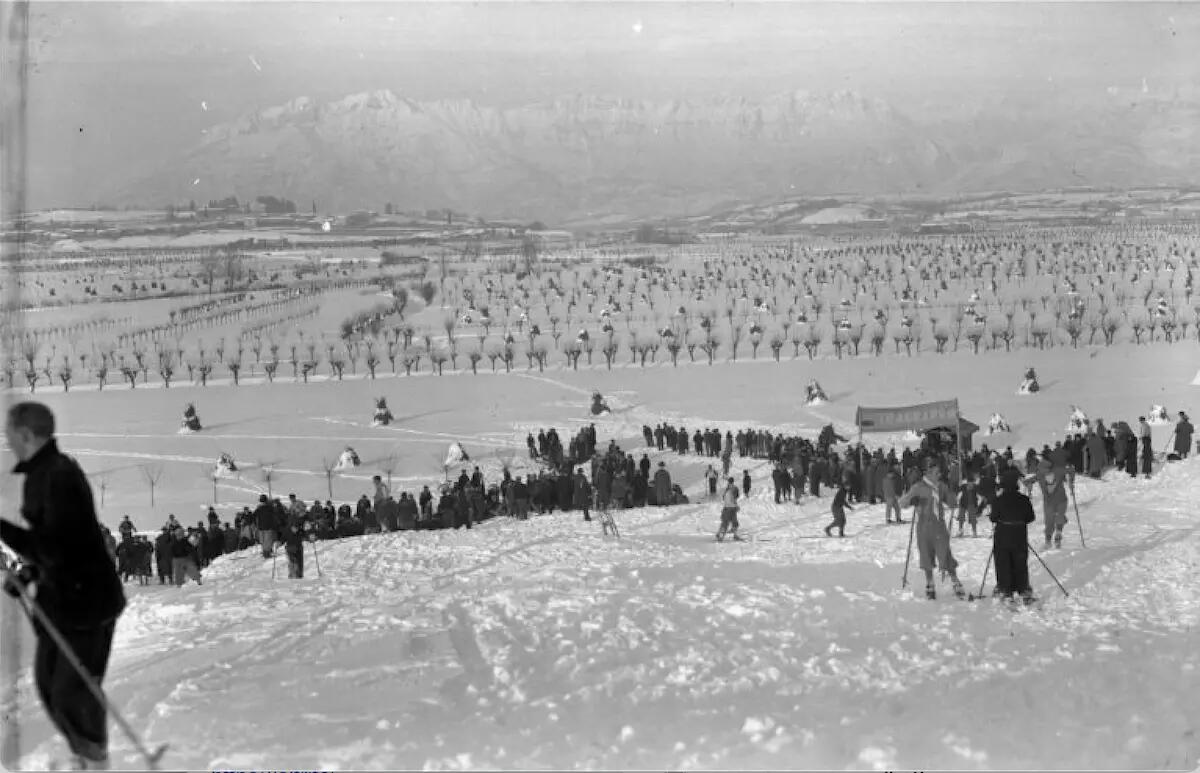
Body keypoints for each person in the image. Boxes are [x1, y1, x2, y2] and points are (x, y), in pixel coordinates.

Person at [0, 402, 126, 769]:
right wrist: (28, 574)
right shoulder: (42, 475)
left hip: (87, 602)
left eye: (10, 432)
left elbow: (58, 547)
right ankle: (84, 755)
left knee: (73, 691)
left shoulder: (59, 476)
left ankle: (94, 760)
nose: (7, 439)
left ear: (26, 434)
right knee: (48, 685)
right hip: (64, 599)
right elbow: (55, 545)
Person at [896, 458, 966, 600]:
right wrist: (911, 501)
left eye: (939, 472)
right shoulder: (918, 487)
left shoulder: (941, 487)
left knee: (945, 553)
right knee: (926, 555)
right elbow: (902, 503)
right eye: (936, 472)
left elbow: (952, 503)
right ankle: (930, 583)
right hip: (923, 526)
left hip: (939, 526)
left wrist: (955, 495)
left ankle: (955, 581)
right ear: (928, 472)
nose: (939, 474)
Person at [988, 468, 1036, 602]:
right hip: (1019, 534)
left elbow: (993, 518)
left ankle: (1005, 589)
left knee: (1003, 561)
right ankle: (1023, 588)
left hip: (1003, 534)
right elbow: (1031, 517)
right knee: (1020, 561)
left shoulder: (998, 500)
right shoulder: (1024, 499)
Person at [717, 477, 742, 542]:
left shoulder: (727, 489)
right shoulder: (733, 489)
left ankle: (720, 534)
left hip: (726, 508)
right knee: (728, 523)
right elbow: (734, 498)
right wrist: (736, 506)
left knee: (729, 523)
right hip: (731, 508)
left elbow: (724, 498)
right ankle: (721, 536)